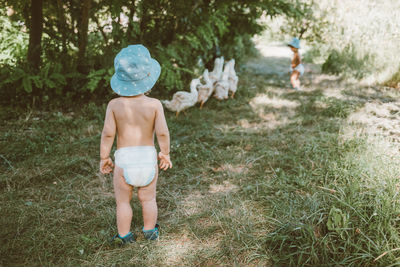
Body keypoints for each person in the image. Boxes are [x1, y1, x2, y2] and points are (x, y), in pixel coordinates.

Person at [99, 44, 172, 244]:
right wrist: (164, 153)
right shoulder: (154, 105)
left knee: (123, 202)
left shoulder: (114, 105)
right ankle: (149, 231)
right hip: (147, 159)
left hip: (124, 161)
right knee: (148, 199)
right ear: (147, 79)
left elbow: (107, 134)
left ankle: (123, 236)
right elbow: (163, 132)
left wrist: (104, 157)